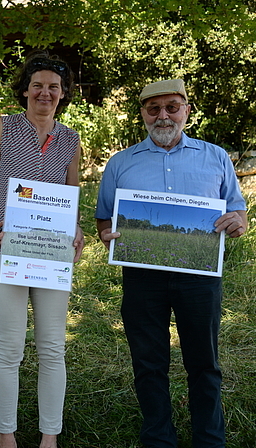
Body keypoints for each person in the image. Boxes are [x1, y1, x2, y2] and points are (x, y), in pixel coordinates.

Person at [95, 79, 248, 448]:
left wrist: (239, 221)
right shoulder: (120, 163)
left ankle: (209, 440)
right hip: (142, 277)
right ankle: (158, 438)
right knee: (149, 364)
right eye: (153, 108)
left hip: (199, 278)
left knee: (204, 364)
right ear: (143, 115)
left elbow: (236, 208)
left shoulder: (216, 157)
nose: (163, 116)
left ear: (187, 111)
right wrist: (105, 234)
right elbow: (103, 218)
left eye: (171, 107)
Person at [0, 50, 84, 448]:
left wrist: (78, 230)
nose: (45, 92)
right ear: (24, 91)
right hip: (5, 251)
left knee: (53, 347)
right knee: (9, 347)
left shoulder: (71, 139)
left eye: (53, 87)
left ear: (63, 93)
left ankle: (49, 437)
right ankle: (6, 435)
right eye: (37, 85)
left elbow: (71, 195)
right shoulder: (1, 128)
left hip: (51, 255)